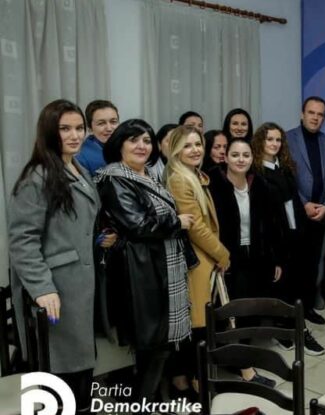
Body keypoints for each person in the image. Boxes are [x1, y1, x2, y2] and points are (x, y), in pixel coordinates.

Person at [8, 99, 114, 413]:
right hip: (56, 290)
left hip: (80, 285)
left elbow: (76, 225)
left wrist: (100, 239)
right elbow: (22, 241)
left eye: (79, 128)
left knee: (81, 372)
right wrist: (42, 288)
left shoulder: (77, 167)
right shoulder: (37, 176)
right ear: (48, 132)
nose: (74, 135)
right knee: (60, 375)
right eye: (64, 128)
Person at [95, 118, 194, 402]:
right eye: (134, 140)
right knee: (153, 345)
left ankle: (149, 399)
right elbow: (137, 225)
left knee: (160, 346)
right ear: (119, 144)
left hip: (160, 267)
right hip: (140, 273)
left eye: (147, 140)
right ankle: (142, 402)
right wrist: (176, 222)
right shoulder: (114, 178)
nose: (142, 146)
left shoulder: (148, 174)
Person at [206, 137, 279, 387]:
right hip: (227, 258)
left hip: (256, 256)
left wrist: (275, 259)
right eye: (235, 154)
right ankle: (244, 368)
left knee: (252, 311)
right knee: (232, 313)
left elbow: (271, 225)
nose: (240, 160)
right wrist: (218, 256)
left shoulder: (259, 184)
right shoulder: (213, 183)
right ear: (225, 157)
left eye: (246, 155)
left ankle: (241, 361)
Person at [251, 122, 325, 356]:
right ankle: (286, 331)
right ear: (260, 142)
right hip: (275, 241)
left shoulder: (284, 168)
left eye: (278, 140)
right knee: (281, 289)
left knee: (297, 286)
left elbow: (294, 204)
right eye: (269, 139)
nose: (274, 144)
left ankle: (296, 329)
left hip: (296, 235)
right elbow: (262, 218)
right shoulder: (256, 173)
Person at [165, 125, 231, 394]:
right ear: (176, 151)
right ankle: (195, 385)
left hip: (204, 258)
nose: (195, 150)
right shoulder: (180, 179)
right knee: (198, 327)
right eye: (187, 146)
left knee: (202, 324)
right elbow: (196, 228)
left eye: (198, 144)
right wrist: (222, 254)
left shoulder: (194, 175)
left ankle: (195, 381)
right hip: (196, 261)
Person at [286, 96, 325, 324]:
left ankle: (307, 308)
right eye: (311, 112)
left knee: (313, 264)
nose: (315, 117)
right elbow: (286, 177)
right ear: (302, 114)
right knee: (294, 264)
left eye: (320, 114)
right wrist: (304, 204)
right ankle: (292, 311)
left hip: (320, 215)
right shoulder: (287, 139)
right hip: (297, 213)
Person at [76, 99, 119, 175]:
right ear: (90, 129)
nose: (109, 128)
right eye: (101, 123)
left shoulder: (127, 147)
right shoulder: (81, 159)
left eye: (113, 122)